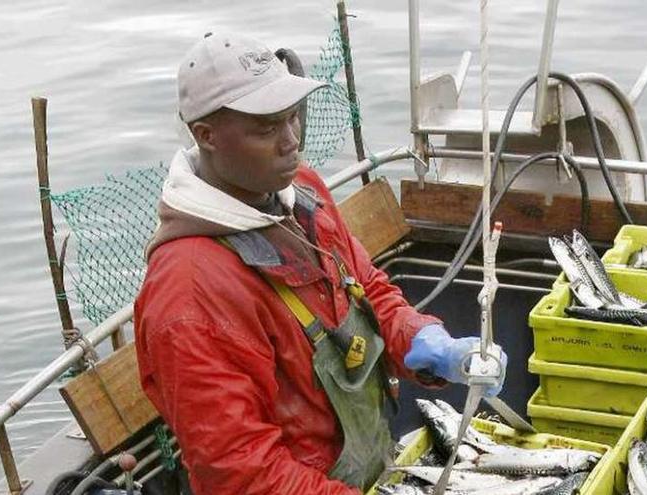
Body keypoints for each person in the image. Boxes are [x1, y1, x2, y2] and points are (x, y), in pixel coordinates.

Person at [134, 32, 507, 495]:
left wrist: (425, 341)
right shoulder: (189, 293)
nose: (292, 141)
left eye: (293, 117)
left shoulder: (300, 192)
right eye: (266, 128)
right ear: (205, 136)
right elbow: (239, 473)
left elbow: (367, 288)